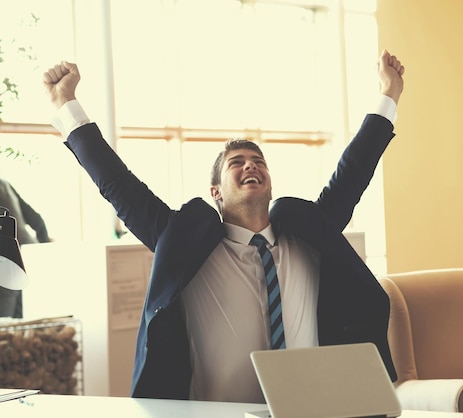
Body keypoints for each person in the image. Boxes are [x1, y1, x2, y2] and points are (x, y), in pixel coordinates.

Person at [42, 49, 405, 402]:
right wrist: (67, 105)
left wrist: (389, 94)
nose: (250, 166)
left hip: (306, 411)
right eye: (237, 162)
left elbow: (354, 170)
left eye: (257, 161)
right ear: (215, 190)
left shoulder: (310, 237)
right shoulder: (183, 243)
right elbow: (118, 184)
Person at [0, 178, 51, 318]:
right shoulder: (4, 184)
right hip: (29, 258)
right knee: (21, 325)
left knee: (4, 327)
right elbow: (38, 221)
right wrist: (44, 252)